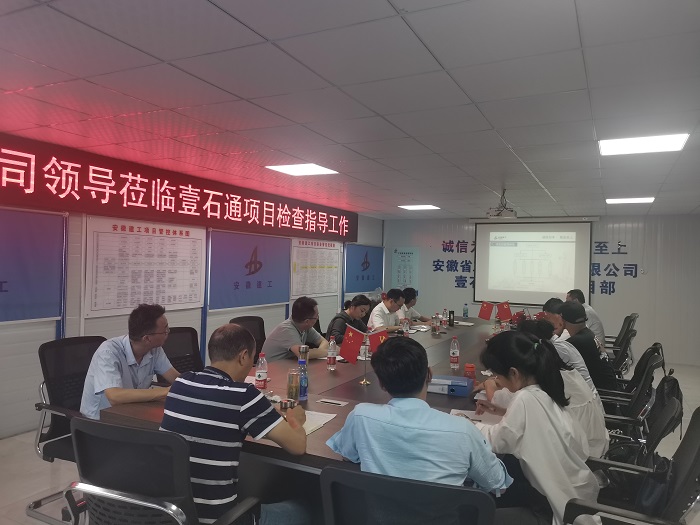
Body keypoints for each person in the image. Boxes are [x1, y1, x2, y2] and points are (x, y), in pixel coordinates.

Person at [160, 324, 309, 525]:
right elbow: (298, 446)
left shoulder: (180, 384)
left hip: (174, 516)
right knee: (305, 509)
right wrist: (295, 419)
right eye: (253, 359)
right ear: (243, 356)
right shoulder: (244, 395)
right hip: (222, 519)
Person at [327, 337, 512, 493]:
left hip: (378, 517)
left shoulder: (361, 416)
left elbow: (348, 455)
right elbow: (498, 483)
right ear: (429, 375)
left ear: (381, 384)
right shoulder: (463, 430)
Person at [474, 331, 599, 525]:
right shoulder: (546, 389)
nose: (497, 381)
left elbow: (496, 441)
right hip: (572, 497)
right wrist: (504, 411)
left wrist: (469, 425)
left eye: (497, 376)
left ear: (514, 373)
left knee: (475, 513)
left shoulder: (525, 399)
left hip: (550, 509)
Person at [80, 303, 179, 420]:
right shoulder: (108, 352)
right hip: (99, 420)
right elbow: (114, 396)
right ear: (147, 338)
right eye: (164, 330)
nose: (168, 332)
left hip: (131, 412)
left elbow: (176, 378)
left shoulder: (155, 350)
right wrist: (164, 392)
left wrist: (193, 384)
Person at [560, 301, 617, 391]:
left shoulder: (575, 342)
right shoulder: (588, 334)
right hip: (610, 389)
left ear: (562, 320)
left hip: (602, 394)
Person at [262, 296, 329, 361]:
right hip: (271, 367)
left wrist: (320, 351)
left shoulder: (306, 327)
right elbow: (303, 354)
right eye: (316, 316)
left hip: (288, 364)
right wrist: (327, 352)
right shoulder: (287, 330)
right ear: (307, 321)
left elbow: (323, 341)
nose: (317, 318)